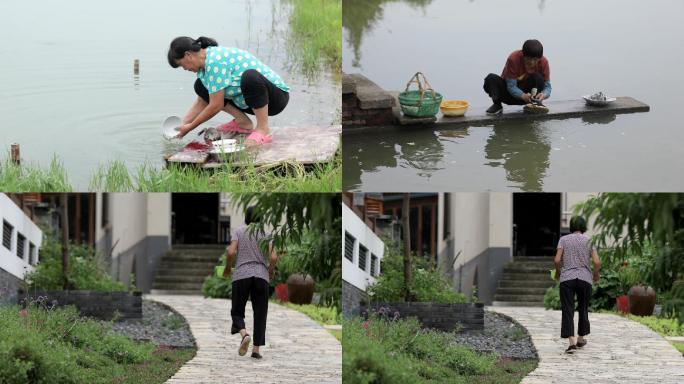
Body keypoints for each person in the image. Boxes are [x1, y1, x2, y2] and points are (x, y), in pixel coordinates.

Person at [167, 36, 290, 146]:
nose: (185, 69)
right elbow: (202, 101)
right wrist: (182, 124)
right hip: (250, 100)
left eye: (182, 65)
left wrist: (190, 127)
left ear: (188, 55)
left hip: (275, 98)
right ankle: (243, 122)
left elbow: (216, 105)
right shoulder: (204, 67)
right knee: (200, 87)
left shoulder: (215, 61)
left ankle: (263, 129)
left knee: (250, 77)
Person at [223, 207, 278, 359]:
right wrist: (271, 270)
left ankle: (244, 333)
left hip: (241, 275)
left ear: (246, 217)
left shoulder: (239, 231)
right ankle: (256, 350)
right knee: (260, 313)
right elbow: (273, 257)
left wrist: (228, 267)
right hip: (261, 276)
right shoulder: (267, 234)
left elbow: (230, 252)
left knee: (237, 311)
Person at [554, 216, 601, 354]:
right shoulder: (589, 241)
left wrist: (558, 272)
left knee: (568, 309)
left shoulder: (563, 239)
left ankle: (572, 342)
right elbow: (597, 262)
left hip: (567, 278)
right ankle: (581, 338)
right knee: (583, 308)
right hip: (585, 278)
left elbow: (557, 260)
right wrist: (596, 274)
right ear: (584, 226)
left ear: (571, 226)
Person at [483, 39, 552, 115]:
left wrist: (544, 95)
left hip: (530, 97)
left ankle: (535, 104)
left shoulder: (543, 62)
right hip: (509, 95)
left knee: (538, 77)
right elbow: (511, 86)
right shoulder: (513, 59)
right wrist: (522, 95)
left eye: (535, 59)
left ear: (540, 58)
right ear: (523, 55)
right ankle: (497, 105)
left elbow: (548, 86)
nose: (532, 62)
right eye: (528, 58)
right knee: (491, 78)